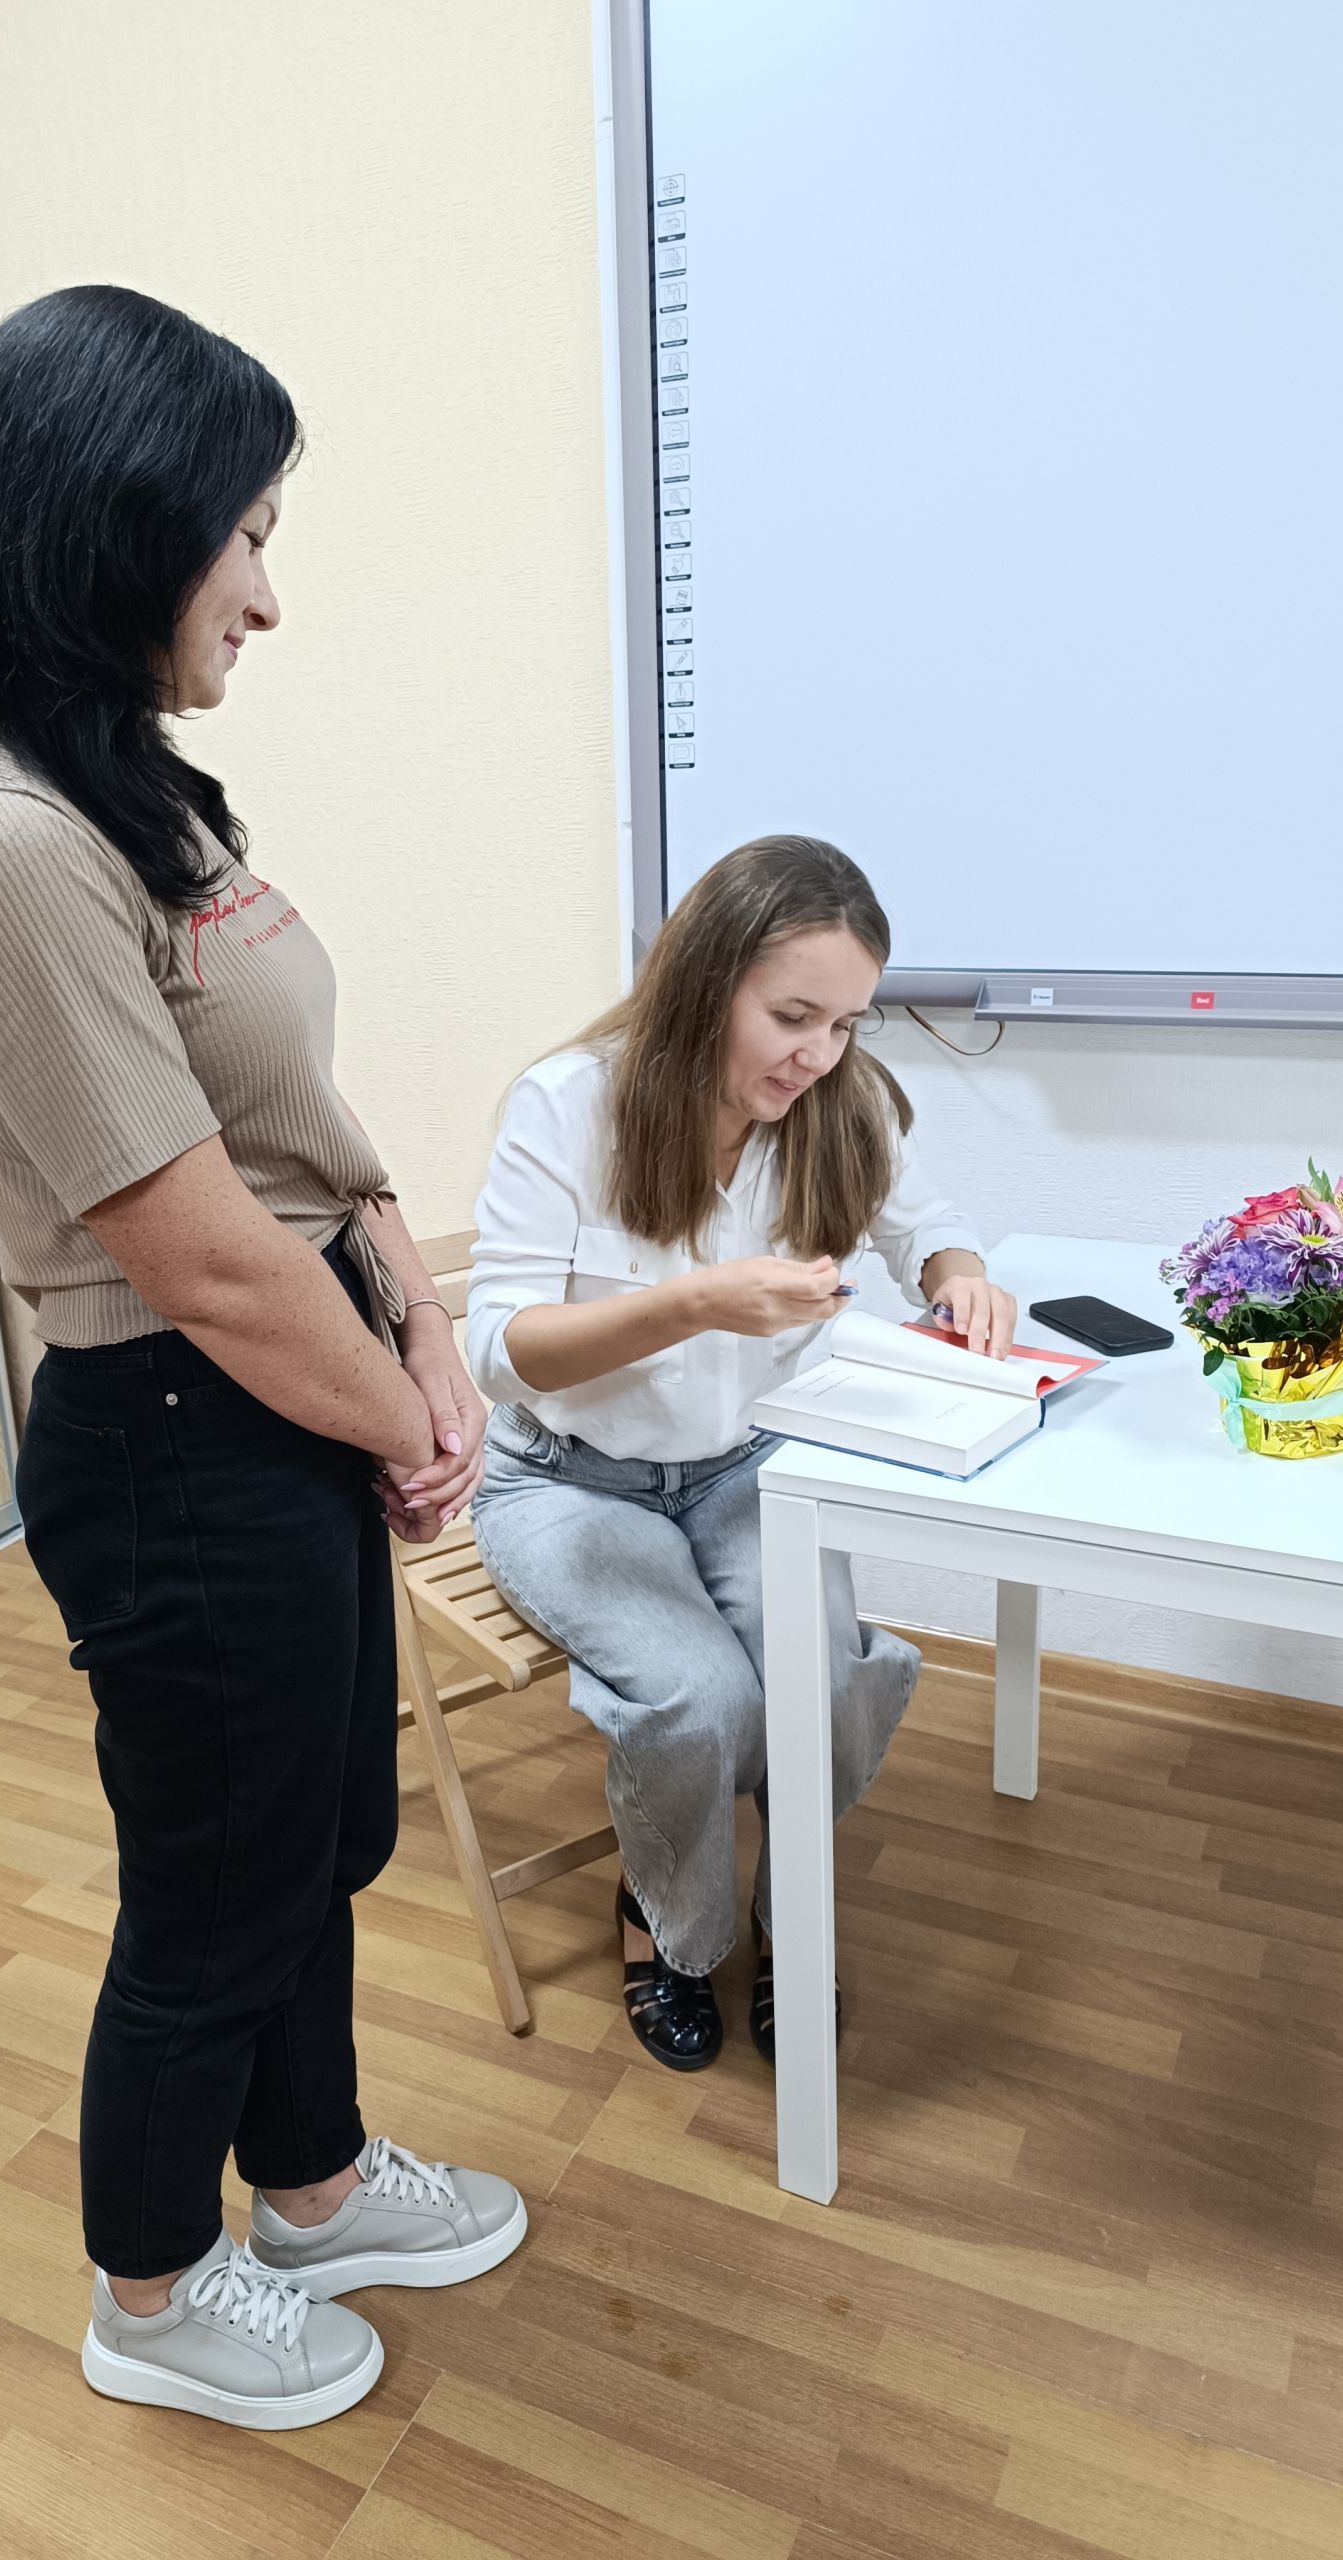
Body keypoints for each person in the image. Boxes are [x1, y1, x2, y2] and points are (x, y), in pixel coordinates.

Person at [0, 285, 522, 2432]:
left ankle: (308, 2183)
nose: (268, 596)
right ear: (120, 519)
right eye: (247, 537)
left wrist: (421, 1322)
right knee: (217, 1886)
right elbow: (203, 1253)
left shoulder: (124, 786)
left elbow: (294, 1120)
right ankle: (149, 2284)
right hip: (177, 1422)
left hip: (293, 1386)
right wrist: (402, 1418)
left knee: (317, 1838)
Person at [467, 838, 1016, 2069]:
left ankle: (787, 1911)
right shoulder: (572, 1102)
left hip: (746, 1465)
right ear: (707, 980)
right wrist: (696, 1303)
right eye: (793, 1017)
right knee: (702, 1698)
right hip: (567, 1480)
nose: (819, 1053)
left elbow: (929, 1226)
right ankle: (671, 1923)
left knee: (816, 1682)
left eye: (847, 1022)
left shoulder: (839, 1102)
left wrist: (960, 1275)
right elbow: (500, 1350)